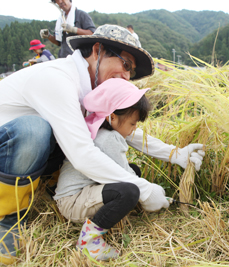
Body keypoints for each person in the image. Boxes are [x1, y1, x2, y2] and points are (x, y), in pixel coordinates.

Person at [0, 24, 205, 265]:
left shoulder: (93, 91)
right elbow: (81, 154)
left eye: (132, 72)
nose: (127, 77)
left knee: (72, 136)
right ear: (98, 50)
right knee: (35, 130)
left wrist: (174, 154)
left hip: (26, 158)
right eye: (126, 64)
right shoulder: (57, 79)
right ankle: (7, 217)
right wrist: (144, 188)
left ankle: (50, 187)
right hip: (9, 147)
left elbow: (121, 127)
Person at [54, 78, 158, 260]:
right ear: (112, 117)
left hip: (78, 195)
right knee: (130, 191)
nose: (134, 129)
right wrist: (153, 194)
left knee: (134, 172)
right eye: (132, 124)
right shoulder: (108, 139)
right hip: (73, 202)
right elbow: (125, 178)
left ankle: (116, 214)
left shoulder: (99, 132)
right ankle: (89, 241)